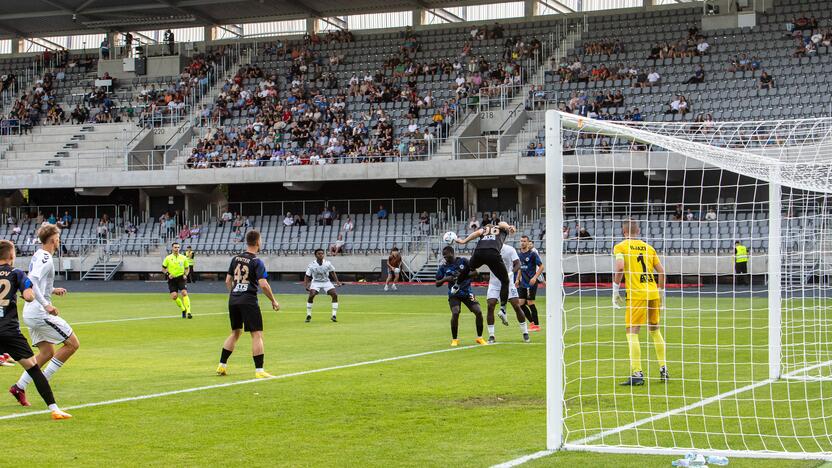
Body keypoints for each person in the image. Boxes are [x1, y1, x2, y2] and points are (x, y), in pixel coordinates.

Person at [9, 224, 79, 412]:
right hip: (39, 312)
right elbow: (32, 280)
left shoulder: (38, 254)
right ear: (53, 239)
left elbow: (38, 283)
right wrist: (46, 304)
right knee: (72, 344)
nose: (59, 240)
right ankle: (43, 381)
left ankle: (19, 387)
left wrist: (52, 290)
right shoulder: (46, 257)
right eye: (58, 236)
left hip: (31, 311)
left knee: (47, 353)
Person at [216, 230, 280, 379]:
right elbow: (263, 285)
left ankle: (221, 365)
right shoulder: (257, 262)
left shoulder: (235, 259)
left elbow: (227, 281)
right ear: (258, 242)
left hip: (234, 299)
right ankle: (259, 370)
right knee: (257, 334)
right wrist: (273, 300)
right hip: (248, 300)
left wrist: (234, 294)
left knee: (235, 332)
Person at [612, 219, 668, 386]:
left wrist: (615, 290)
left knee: (632, 331)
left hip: (637, 295)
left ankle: (637, 373)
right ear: (638, 231)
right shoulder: (648, 248)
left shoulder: (620, 247)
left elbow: (620, 267)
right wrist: (661, 293)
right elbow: (662, 272)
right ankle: (663, 369)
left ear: (624, 232)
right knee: (655, 330)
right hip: (653, 293)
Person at [451, 219, 517, 307]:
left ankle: (456, 285)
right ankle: (503, 308)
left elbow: (476, 233)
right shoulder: (501, 228)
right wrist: (509, 227)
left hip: (479, 252)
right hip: (493, 253)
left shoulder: (485, 229)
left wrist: (464, 241)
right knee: (505, 281)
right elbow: (502, 223)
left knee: (468, 267)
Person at [435, 246, 486, 347]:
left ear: (452, 253)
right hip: (454, 293)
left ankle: (479, 338)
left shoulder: (463, 261)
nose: (445, 257)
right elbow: (437, 283)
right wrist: (445, 279)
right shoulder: (443, 267)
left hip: (467, 292)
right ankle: (455, 339)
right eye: (444, 256)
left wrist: (462, 276)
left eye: (447, 255)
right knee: (455, 312)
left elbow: (476, 272)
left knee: (478, 311)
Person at [485, 243, 530, 344]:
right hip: (494, 283)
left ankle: (525, 332)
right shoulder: (490, 249)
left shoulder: (510, 249)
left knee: (516, 306)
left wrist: (511, 272)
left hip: (508, 283)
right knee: (490, 305)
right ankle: (491, 335)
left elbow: (518, 264)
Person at [304, 249, 342, 323]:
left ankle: (334, 315)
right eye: (319, 254)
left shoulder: (328, 263)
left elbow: (332, 272)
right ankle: (308, 315)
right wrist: (306, 285)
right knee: (311, 295)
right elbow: (307, 276)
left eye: (322, 254)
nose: (321, 255)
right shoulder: (311, 265)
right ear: (316, 255)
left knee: (334, 295)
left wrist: (337, 281)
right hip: (316, 282)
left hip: (326, 282)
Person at [516, 235, 544, 332]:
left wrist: (535, 277)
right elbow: (520, 268)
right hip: (523, 283)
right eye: (521, 241)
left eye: (524, 241)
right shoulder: (519, 255)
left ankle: (536, 325)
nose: (522, 243)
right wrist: (517, 279)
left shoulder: (532, 254)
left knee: (530, 302)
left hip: (531, 282)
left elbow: (541, 267)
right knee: (520, 304)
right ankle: (532, 322)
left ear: (528, 243)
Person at [162, 242, 192, 319]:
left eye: (178, 247)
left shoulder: (183, 257)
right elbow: (163, 269)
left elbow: (187, 268)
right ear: (172, 248)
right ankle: (183, 309)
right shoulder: (168, 258)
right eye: (175, 247)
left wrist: (185, 275)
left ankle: (188, 312)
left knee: (184, 293)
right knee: (174, 296)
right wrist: (168, 274)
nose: (177, 249)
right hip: (172, 279)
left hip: (181, 277)